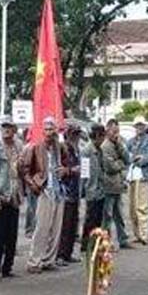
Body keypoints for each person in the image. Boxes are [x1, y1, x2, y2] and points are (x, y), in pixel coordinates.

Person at [23, 116, 67, 273]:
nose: (49, 132)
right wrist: (34, 185)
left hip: (58, 191)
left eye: (52, 129)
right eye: (47, 129)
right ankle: (34, 261)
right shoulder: (35, 147)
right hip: (44, 190)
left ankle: (49, 260)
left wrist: (65, 171)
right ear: (42, 131)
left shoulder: (60, 148)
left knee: (55, 229)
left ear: (56, 130)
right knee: (41, 227)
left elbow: (68, 165)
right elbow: (25, 169)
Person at [0, 117, 23, 278]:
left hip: (15, 193)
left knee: (12, 234)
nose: (6, 130)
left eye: (9, 127)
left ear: (14, 130)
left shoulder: (18, 146)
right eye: (4, 127)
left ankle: (7, 267)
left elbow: (22, 170)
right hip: (1, 193)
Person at [100, 118, 130, 249]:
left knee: (120, 215)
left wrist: (120, 147)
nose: (116, 134)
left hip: (118, 185)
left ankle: (123, 239)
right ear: (107, 131)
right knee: (107, 216)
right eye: (113, 131)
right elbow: (109, 167)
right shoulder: (105, 146)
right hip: (108, 185)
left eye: (117, 131)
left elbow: (127, 159)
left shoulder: (119, 143)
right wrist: (121, 164)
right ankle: (106, 242)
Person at [56, 125, 82, 264]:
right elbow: (59, 170)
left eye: (77, 134)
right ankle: (60, 254)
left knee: (72, 225)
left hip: (75, 190)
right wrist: (72, 170)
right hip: (65, 191)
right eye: (74, 134)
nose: (76, 137)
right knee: (64, 225)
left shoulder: (76, 150)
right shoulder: (62, 149)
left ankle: (68, 253)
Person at [125, 116, 148, 245]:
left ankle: (144, 234)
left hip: (143, 176)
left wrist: (138, 159)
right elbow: (127, 157)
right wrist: (136, 158)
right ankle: (136, 234)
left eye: (141, 125)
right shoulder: (130, 141)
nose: (139, 128)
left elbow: (147, 158)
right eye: (137, 125)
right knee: (132, 208)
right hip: (131, 176)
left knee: (142, 206)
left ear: (145, 126)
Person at [81, 124, 107, 252]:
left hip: (100, 190)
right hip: (91, 190)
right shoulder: (87, 151)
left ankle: (95, 245)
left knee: (97, 221)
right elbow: (84, 173)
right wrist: (84, 190)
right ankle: (86, 246)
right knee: (90, 221)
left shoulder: (100, 150)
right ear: (97, 136)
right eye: (102, 137)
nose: (103, 140)